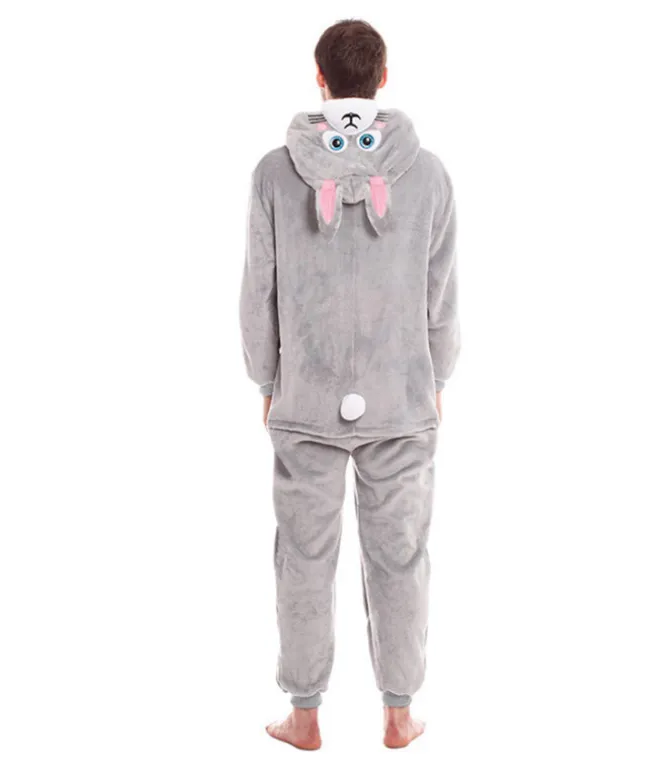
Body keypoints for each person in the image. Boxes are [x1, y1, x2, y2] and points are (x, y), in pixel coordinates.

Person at [239, 19, 460, 750]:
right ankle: (399, 715)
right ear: (383, 78)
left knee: (302, 559)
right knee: (401, 556)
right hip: (401, 397)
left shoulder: (275, 173)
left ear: (319, 76)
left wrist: (266, 377)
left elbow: (259, 290)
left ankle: (304, 717)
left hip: (305, 397)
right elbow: (440, 294)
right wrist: (439, 373)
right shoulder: (429, 175)